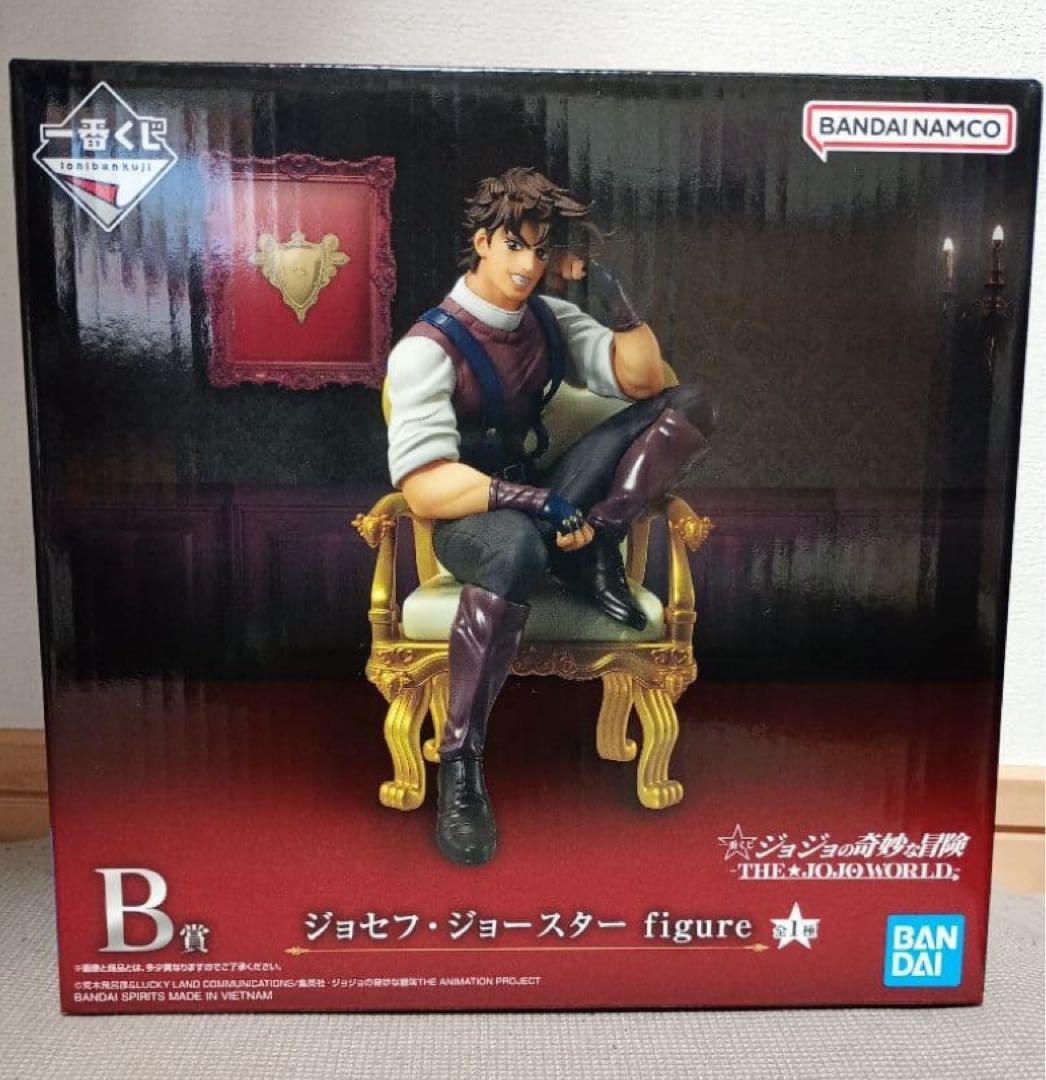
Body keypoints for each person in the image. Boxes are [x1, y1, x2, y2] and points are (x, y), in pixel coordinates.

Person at [386, 167, 717, 866]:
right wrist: (536, 502)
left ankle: (592, 547)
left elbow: (645, 382)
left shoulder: (547, 319)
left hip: (549, 496)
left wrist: (608, 290)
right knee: (516, 550)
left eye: (541, 251)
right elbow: (424, 491)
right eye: (515, 246)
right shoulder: (425, 349)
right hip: (472, 519)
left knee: (690, 404)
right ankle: (461, 769)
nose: (528, 266)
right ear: (482, 242)